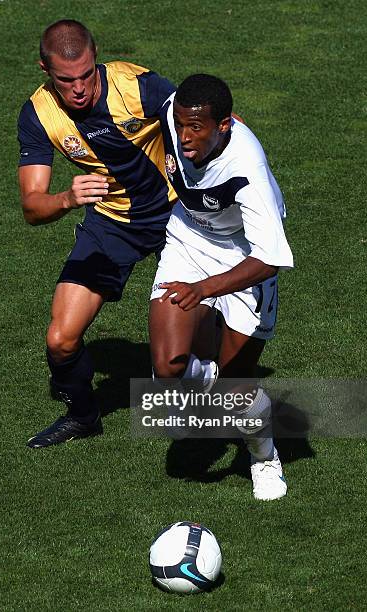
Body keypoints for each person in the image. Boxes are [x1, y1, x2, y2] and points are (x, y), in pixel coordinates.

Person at [17, 19, 177, 448]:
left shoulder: (136, 85)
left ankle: (228, 423)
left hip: (179, 218)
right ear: (45, 71)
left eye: (87, 75)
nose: (80, 89)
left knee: (180, 357)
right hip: (111, 225)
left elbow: (205, 119)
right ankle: (84, 417)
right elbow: (33, 207)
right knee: (61, 339)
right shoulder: (39, 114)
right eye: (66, 80)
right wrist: (66, 199)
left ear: (96, 58)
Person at [150, 74, 294, 500]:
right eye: (181, 126)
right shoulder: (175, 109)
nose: (185, 137)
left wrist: (205, 289)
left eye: (197, 128)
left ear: (224, 126)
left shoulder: (247, 171)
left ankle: (264, 456)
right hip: (188, 240)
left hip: (245, 257)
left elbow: (269, 260)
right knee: (168, 371)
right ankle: (204, 381)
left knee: (239, 385)